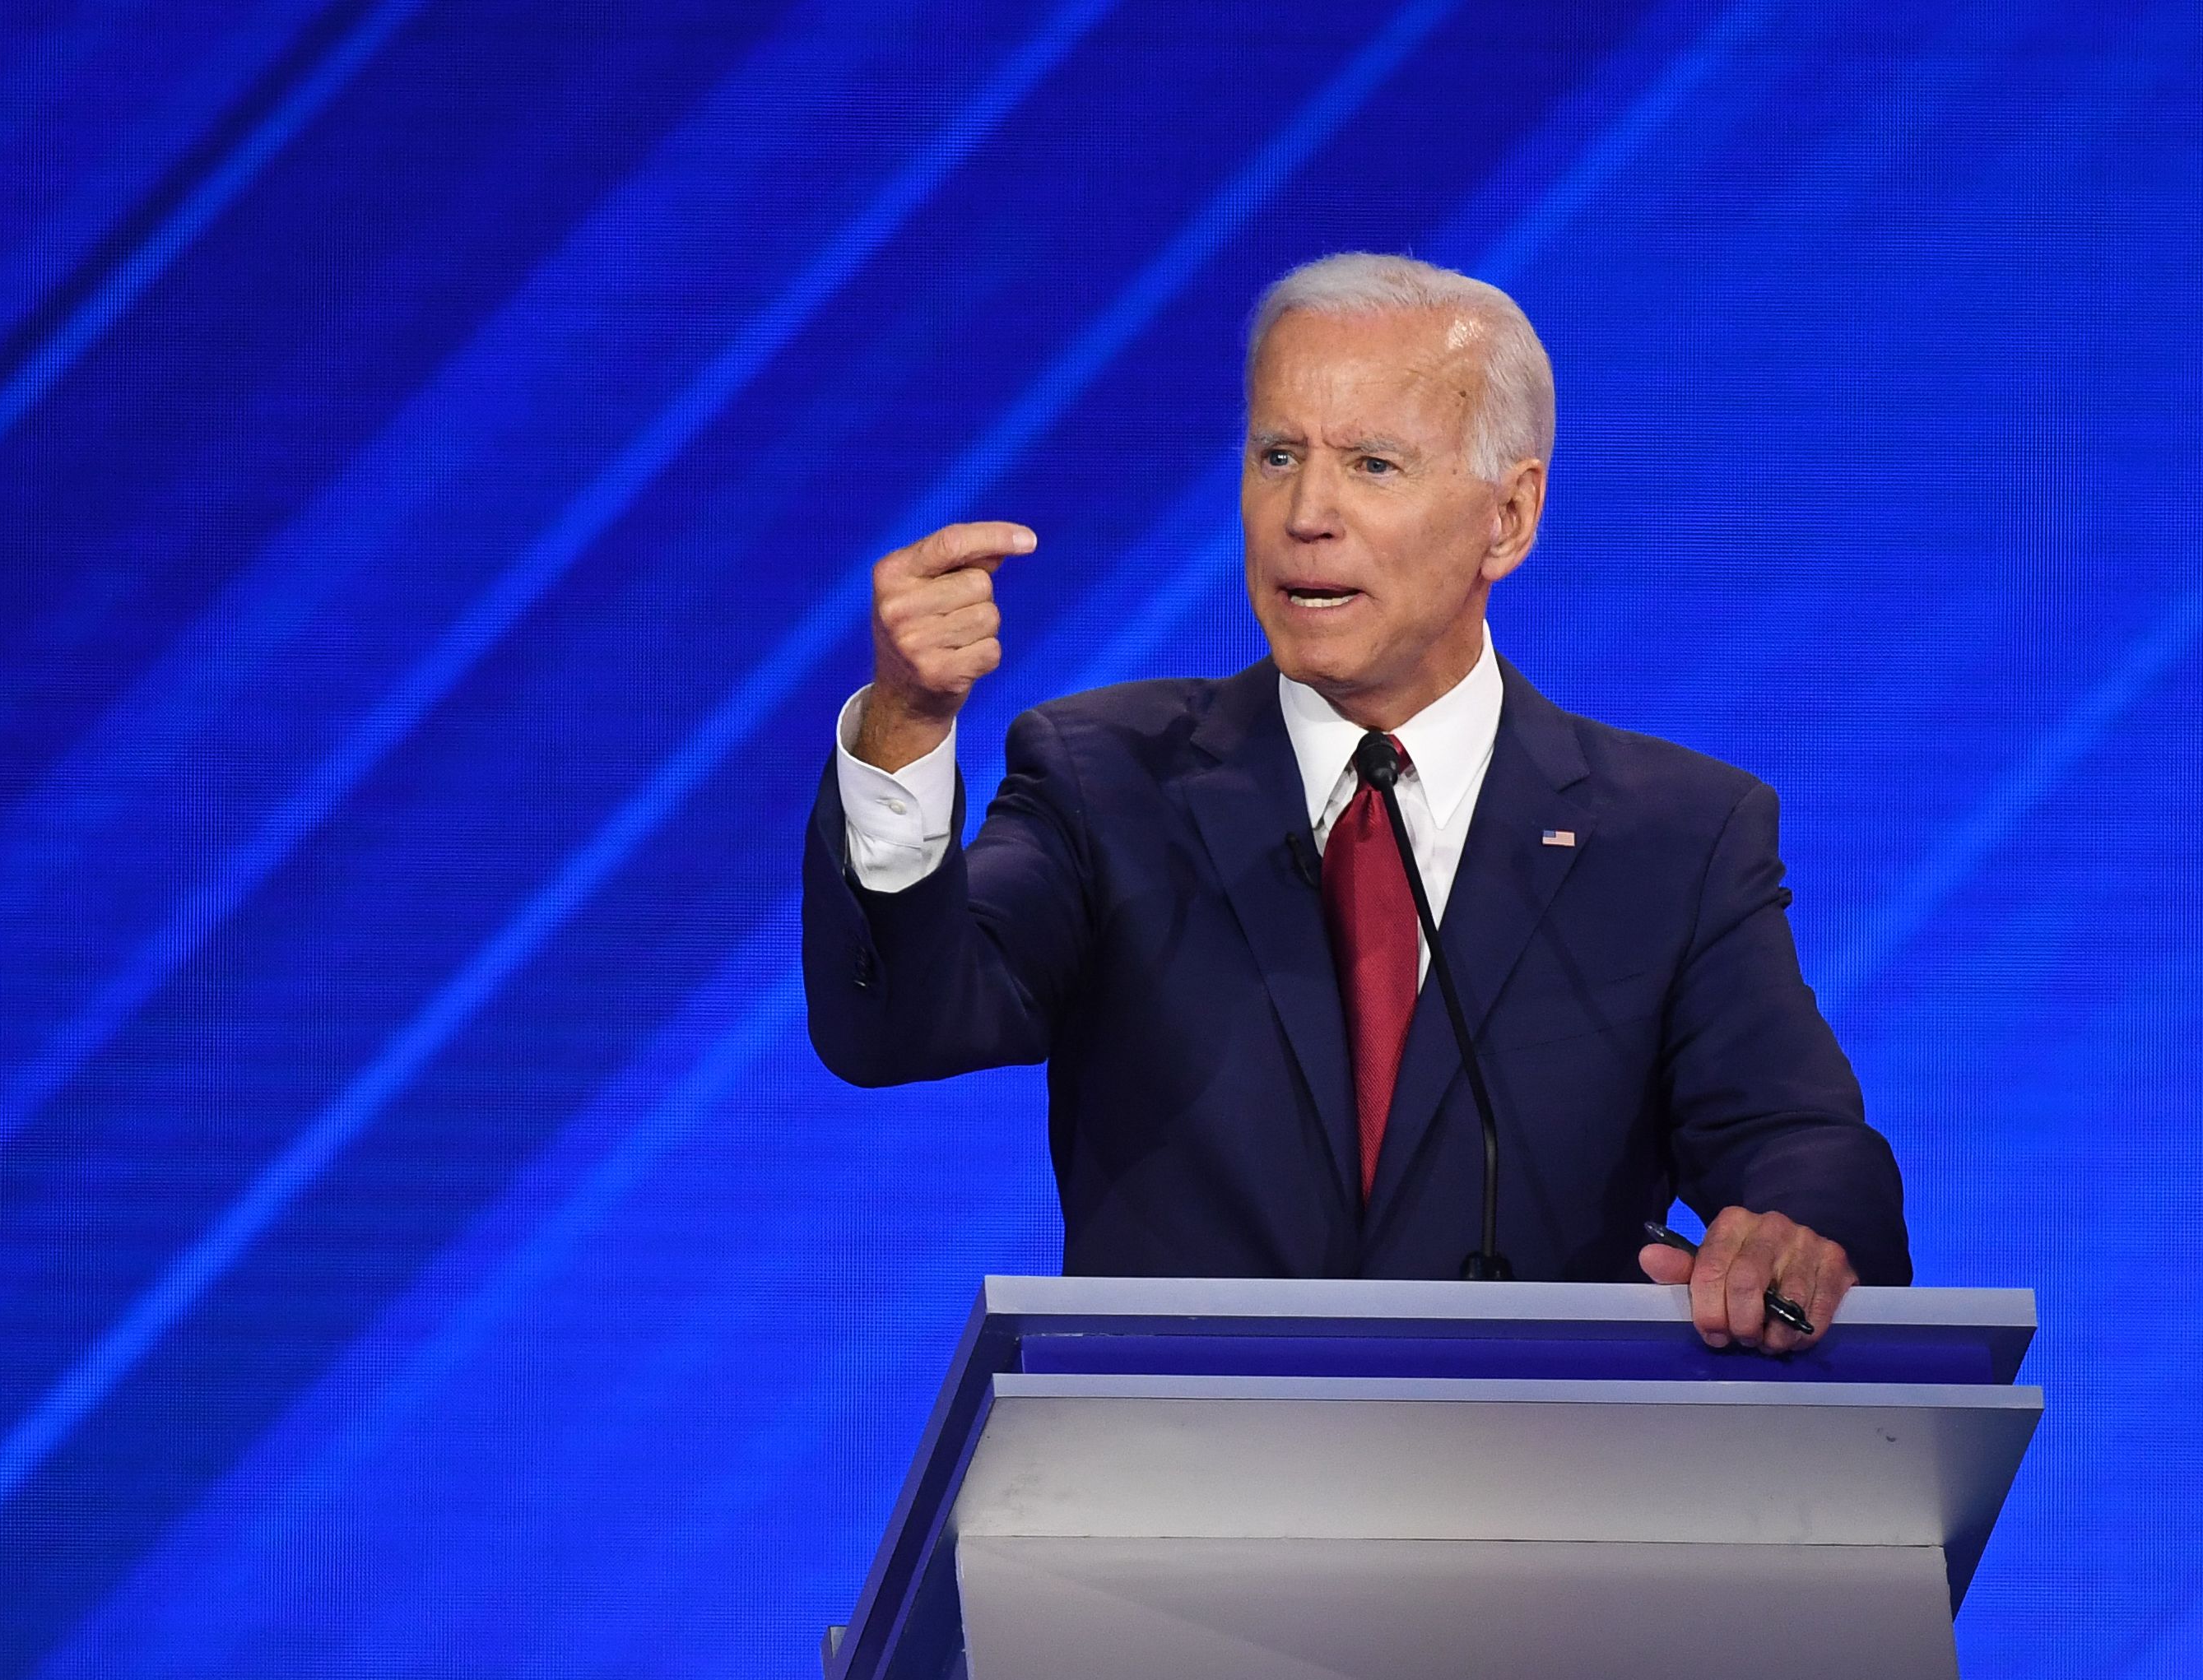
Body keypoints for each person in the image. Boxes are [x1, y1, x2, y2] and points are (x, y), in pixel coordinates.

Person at [801, 253, 1906, 1353]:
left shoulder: (1676, 835)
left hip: (1541, 1489)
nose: (1305, 512)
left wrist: (1799, 1232)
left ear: (1509, 518)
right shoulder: (1109, 779)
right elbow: (904, 1018)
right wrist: (905, 725)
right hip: (1180, 1496)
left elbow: (1796, 1135)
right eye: (1277, 455)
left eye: (1373, 464)